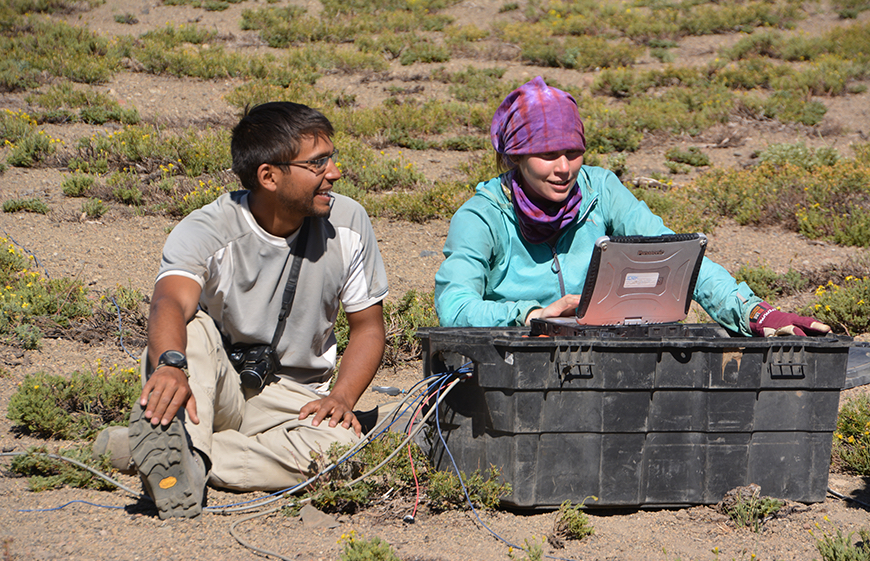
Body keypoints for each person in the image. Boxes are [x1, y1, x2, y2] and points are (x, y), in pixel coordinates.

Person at [100, 102, 389, 519]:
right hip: (216, 388)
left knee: (344, 450)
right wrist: (168, 363)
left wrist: (343, 397)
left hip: (299, 397)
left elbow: (367, 328)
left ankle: (186, 455)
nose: (335, 173)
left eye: (332, 158)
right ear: (268, 176)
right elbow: (168, 301)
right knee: (191, 327)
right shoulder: (210, 228)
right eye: (318, 163)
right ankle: (185, 448)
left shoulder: (347, 221)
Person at [434, 76, 829, 338]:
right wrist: (534, 312)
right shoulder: (481, 216)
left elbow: (675, 254)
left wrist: (754, 313)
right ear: (516, 157)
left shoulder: (601, 189)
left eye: (573, 152)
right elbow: (454, 306)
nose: (563, 168)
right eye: (547, 154)